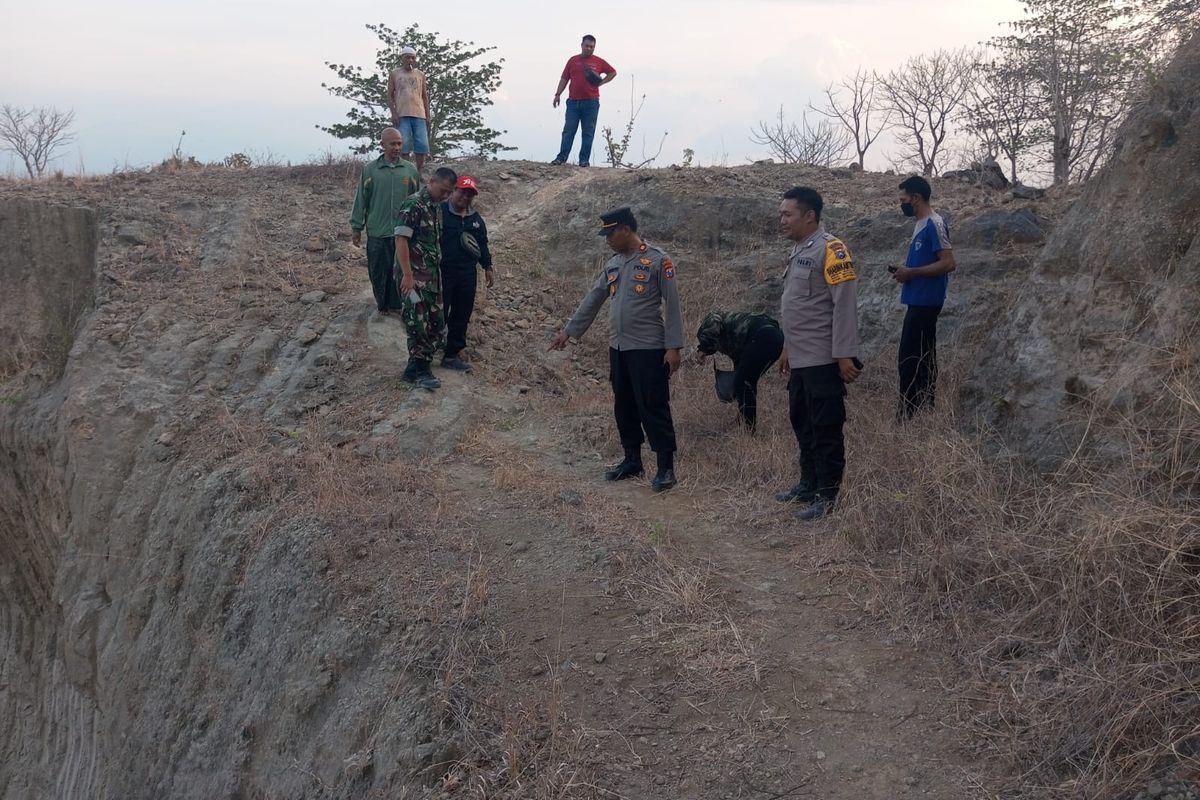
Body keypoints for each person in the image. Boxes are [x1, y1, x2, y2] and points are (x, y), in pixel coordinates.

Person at [550, 207, 682, 491]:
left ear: (625, 229)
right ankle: (632, 460)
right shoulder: (613, 264)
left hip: (648, 348)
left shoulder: (659, 260)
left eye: (610, 233)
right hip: (619, 347)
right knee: (624, 405)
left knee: (653, 405)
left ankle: (665, 468)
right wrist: (569, 331)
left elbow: (673, 307)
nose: (607, 239)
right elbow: (594, 299)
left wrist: (673, 347)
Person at [774, 187, 861, 521]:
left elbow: (844, 306)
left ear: (809, 216)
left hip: (824, 359)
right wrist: (787, 347)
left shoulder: (832, 250)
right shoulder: (799, 250)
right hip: (800, 359)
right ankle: (808, 484)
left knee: (826, 428)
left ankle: (827, 495)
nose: (782, 220)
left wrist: (844, 355)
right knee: (802, 423)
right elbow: (798, 308)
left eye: (788, 214)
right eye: (781, 214)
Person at [891, 175, 956, 419]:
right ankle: (921, 409)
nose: (902, 204)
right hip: (916, 299)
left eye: (903, 199)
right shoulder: (920, 225)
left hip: (926, 303)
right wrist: (905, 273)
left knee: (910, 359)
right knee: (922, 356)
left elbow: (948, 263)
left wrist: (913, 272)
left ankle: (908, 412)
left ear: (915, 198)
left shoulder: (935, 224)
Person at [395, 166, 457, 389]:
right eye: (444, 190)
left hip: (431, 276)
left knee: (436, 322)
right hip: (413, 277)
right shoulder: (413, 204)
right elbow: (401, 239)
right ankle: (421, 370)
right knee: (417, 322)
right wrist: (408, 275)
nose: (447, 196)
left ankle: (413, 370)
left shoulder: (436, 207)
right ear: (431, 181)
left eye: (450, 192)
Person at [349, 127, 422, 313]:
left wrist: (419, 227)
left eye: (399, 143)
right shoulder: (371, 170)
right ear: (382, 145)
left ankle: (399, 306)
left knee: (401, 271)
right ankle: (382, 305)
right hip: (377, 232)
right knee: (378, 271)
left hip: (403, 233)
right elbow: (361, 199)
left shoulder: (410, 170)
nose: (397, 147)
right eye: (392, 144)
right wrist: (356, 227)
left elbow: (417, 201)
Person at [439, 174, 495, 372]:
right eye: (463, 192)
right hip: (442, 272)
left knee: (462, 313)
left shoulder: (476, 219)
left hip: (467, 273)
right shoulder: (440, 211)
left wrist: (487, 266)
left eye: (470, 194)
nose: (465, 197)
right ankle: (429, 349)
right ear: (454, 190)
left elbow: (482, 244)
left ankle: (452, 354)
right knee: (438, 312)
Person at [693, 311, 784, 431]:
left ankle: (748, 431)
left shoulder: (712, 321)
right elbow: (740, 367)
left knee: (744, 383)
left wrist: (703, 347)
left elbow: (715, 321)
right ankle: (743, 421)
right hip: (775, 338)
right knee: (746, 382)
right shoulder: (735, 339)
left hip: (763, 336)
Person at [551, 35, 616, 167]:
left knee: (588, 132)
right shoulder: (573, 61)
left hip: (591, 102)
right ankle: (561, 158)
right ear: (581, 45)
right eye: (586, 46)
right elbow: (564, 78)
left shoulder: (599, 61)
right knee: (568, 130)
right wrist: (558, 94)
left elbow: (612, 72)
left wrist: (601, 82)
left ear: (594, 47)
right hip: (573, 102)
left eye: (591, 47)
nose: (589, 48)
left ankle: (584, 161)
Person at [387, 46, 431, 171]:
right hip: (402, 114)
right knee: (403, 144)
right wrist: (394, 113)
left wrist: (428, 115)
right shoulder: (395, 73)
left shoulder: (420, 74)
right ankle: (406, 170)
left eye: (413, 58)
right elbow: (389, 95)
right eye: (407, 57)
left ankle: (419, 171)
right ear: (402, 58)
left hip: (419, 114)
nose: (410, 60)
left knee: (421, 144)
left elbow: (424, 96)